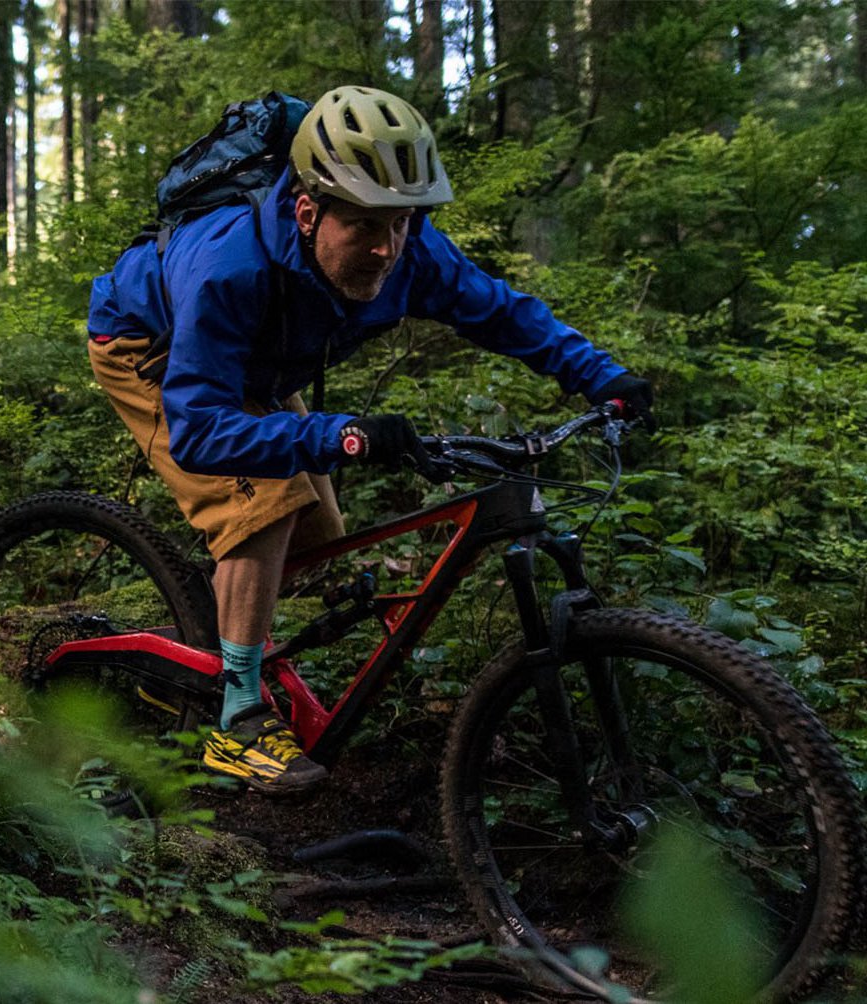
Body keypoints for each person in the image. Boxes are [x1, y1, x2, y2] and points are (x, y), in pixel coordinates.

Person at [85, 85, 653, 794]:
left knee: (319, 533)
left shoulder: (410, 253)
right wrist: (344, 436)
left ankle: (203, 642)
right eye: (362, 226)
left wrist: (605, 378)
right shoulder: (228, 267)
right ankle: (235, 722)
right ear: (306, 210)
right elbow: (200, 430)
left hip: (257, 359)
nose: (385, 249)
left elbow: (503, 314)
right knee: (269, 506)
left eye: (402, 223)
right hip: (151, 344)